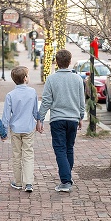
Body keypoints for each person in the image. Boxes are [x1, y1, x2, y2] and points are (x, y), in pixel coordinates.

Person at [38, 49, 85, 193]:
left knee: (60, 149)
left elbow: (46, 101)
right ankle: (67, 176)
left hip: (57, 119)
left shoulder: (51, 79)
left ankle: (65, 181)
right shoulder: (77, 79)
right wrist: (80, 116)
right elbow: (81, 100)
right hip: (72, 119)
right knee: (69, 148)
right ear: (69, 62)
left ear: (56, 62)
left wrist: (40, 119)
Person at [2, 66, 41, 193]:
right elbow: (35, 111)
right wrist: (39, 122)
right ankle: (28, 182)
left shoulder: (10, 95)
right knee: (28, 154)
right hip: (29, 128)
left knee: (16, 155)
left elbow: (6, 115)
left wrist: (4, 131)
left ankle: (18, 182)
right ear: (25, 78)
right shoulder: (32, 92)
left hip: (15, 129)